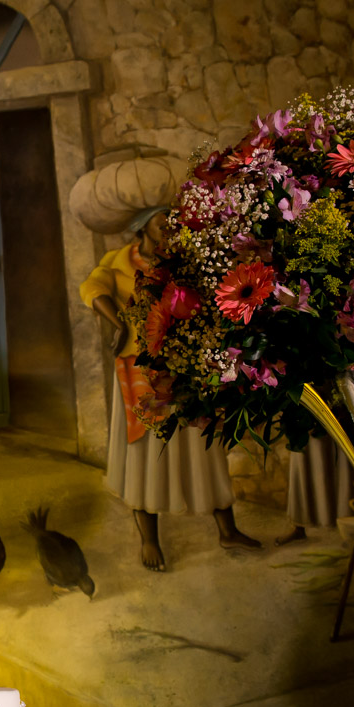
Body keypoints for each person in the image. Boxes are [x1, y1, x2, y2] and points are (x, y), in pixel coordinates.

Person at [79, 206, 260, 572]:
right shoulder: (118, 261)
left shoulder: (184, 260)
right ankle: (149, 539)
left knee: (201, 447)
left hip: (184, 368)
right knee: (146, 454)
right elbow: (92, 288)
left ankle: (228, 531)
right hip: (140, 370)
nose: (169, 227)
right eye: (162, 222)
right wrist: (120, 323)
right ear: (141, 227)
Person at [276, 434, 354, 546]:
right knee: (301, 468)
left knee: (341, 465)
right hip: (304, 431)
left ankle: (351, 531)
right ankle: (299, 529)